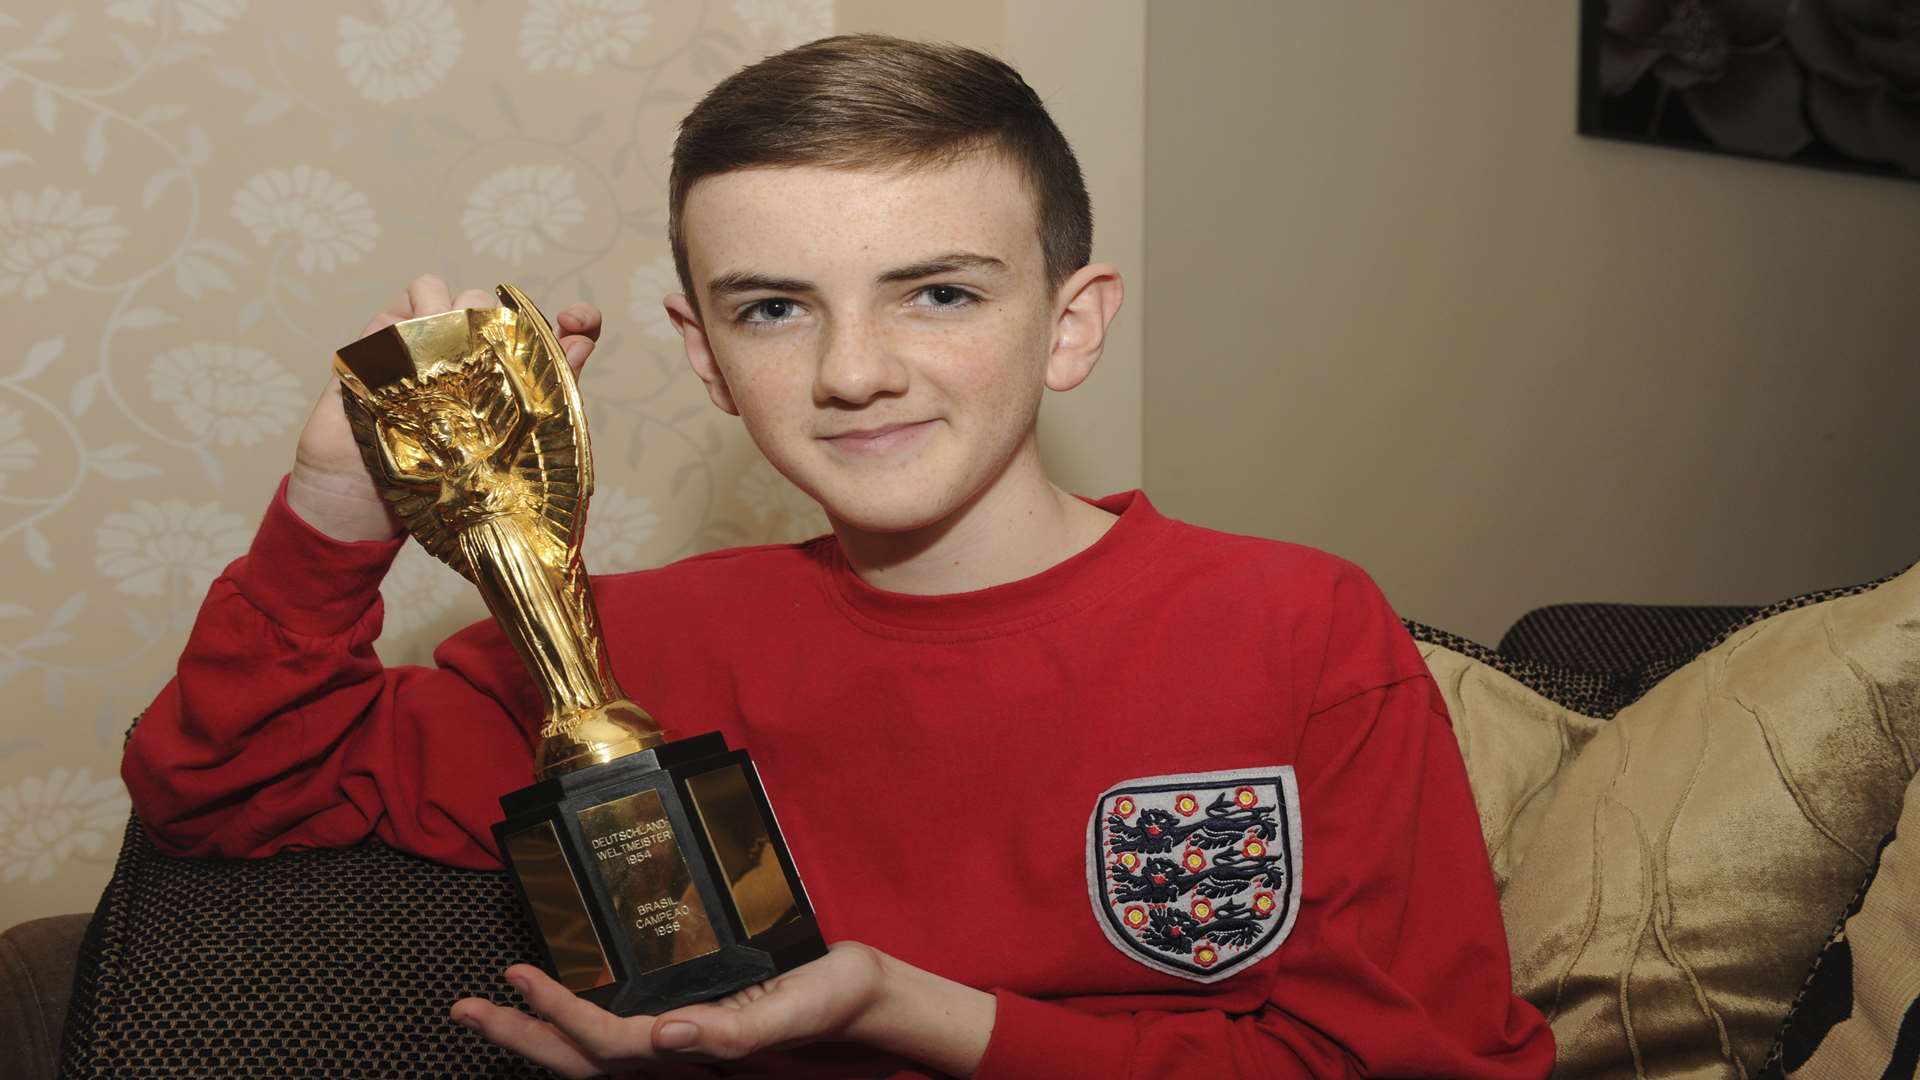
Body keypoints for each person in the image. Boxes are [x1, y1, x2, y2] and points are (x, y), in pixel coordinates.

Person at [124, 34, 1555, 1079]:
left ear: (1071, 322)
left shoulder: (1291, 626)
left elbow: (1424, 1065)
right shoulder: (615, 656)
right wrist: (340, 510)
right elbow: (226, 785)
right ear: (703, 356)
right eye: (772, 309)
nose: (855, 370)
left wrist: (902, 1007)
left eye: (938, 291)